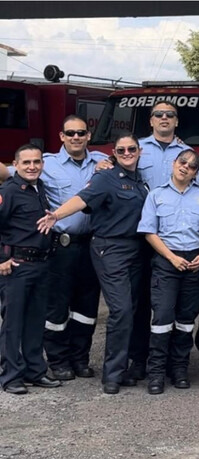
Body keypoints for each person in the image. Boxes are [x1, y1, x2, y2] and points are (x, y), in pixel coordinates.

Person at [37, 133, 149, 395]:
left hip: (136, 249)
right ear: (115, 153)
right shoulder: (106, 177)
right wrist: (57, 215)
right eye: (121, 150)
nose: (127, 153)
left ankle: (124, 366)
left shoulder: (140, 179)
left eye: (131, 149)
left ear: (139, 151)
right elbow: (82, 199)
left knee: (132, 309)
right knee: (120, 310)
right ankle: (112, 374)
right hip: (110, 249)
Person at [137, 150, 199, 394]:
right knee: (162, 318)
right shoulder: (156, 195)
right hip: (167, 260)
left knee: (186, 319)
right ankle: (156, 372)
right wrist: (171, 257)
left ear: (196, 172)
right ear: (173, 163)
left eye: (192, 166)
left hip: (195, 261)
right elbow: (149, 232)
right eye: (182, 162)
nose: (185, 168)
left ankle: (179, 369)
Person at [40, 116, 107, 381]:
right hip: (61, 247)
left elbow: (136, 156)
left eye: (81, 132)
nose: (76, 137)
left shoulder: (102, 161)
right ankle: (58, 361)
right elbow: (12, 171)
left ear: (88, 136)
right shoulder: (46, 164)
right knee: (57, 308)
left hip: (91, 246)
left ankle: (81, 359)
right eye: (71, 133)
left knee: (87, 309)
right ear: (61, 136)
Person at [0, 145, 62, 394]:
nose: (32, 166)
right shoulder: (8, 191)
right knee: (13, 324)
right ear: (15, 164)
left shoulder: (40, 188)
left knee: (36, 322)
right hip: (16, 268)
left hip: (41, 264)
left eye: (36, 162)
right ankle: (11, 376)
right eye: (26, 162)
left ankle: (35, 371)